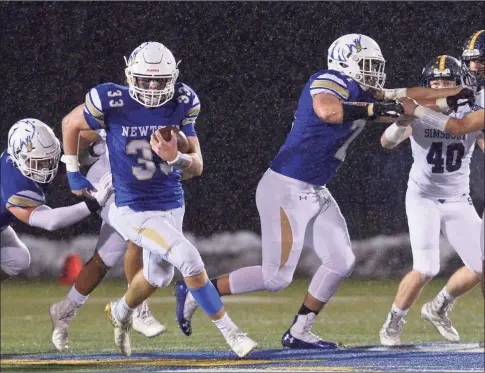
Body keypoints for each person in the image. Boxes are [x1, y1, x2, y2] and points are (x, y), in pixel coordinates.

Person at [175, 33, 403, 349]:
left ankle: (299, 331)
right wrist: (375, 110)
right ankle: (197, 290)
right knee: (276, 278)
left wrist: (439, 100)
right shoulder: (329, 80)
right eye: (366, 65)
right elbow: (327, 111)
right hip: (286, 187)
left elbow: (401, 102)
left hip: (315, 189)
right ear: (343, 61)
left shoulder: (359, 93)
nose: (373, 72)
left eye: (376, 66)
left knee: (341, 260)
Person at [61, 41, 257, 358]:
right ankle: (233, 334)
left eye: (160, 80)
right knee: (189, 258)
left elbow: (197, 165)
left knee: (159, 276)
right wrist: (72, 173)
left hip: (171, 201)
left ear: (173, 77)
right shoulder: (110, 100)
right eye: (145, 79)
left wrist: (176, 157)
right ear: (130, 76)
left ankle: (121, 311)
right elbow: (71, 124)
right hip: (133, 207)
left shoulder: (182, 100)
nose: (153, 87)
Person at [379, 55, 484, 346]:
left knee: (481, 264)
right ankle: (394, 320)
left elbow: (467, 131)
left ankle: (438, 307)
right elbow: (387, 142)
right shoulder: (421, 109)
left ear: (459, 84)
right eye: (435, 83)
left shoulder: (473, 112)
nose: (440, 87)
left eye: (447, 82)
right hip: (423, 197)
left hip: (457, 200)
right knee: (425, 267)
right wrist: (403, 122)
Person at [49, 121, 166, 353]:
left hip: (136, 191)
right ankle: (138, 309)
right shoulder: (122, 111)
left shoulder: (166, 118)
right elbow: (79, 135)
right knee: (137, 235)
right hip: (106, 187)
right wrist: (80, 159)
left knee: (103, 260)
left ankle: (64, 311)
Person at [1, 118, 111, 281]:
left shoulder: (30, 158)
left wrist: (94, 150)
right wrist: (93, 203)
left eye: (49, 160)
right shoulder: (13, 186)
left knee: (18, 259)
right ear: (19, 157)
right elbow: (50, 221)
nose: (46, 168)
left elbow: (71, 159)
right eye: (40, 163)